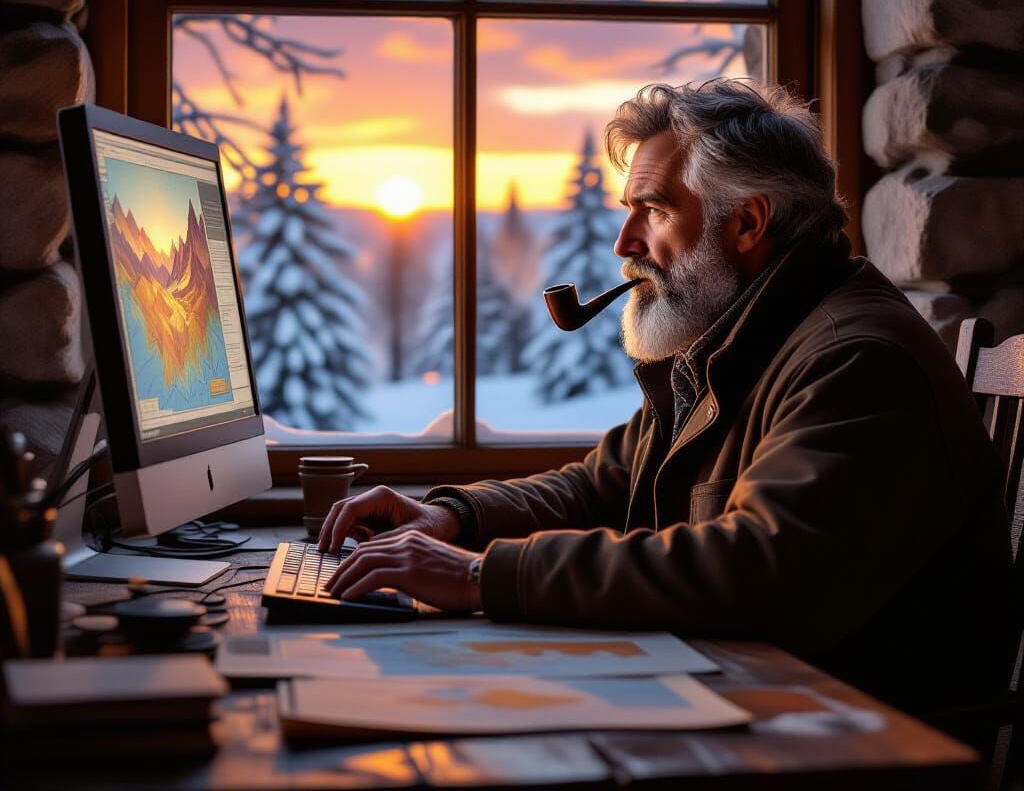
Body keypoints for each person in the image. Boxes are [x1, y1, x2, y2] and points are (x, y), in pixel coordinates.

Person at [319, 79, 1012, 711]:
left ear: (748, 223)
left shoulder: (856, 362)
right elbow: (602, 486)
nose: (625, 243)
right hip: (743, 693)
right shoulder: (737, 341)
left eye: (652, 210)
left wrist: (481, 576)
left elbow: (759, 571)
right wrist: (453, 517)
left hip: (837, 737)